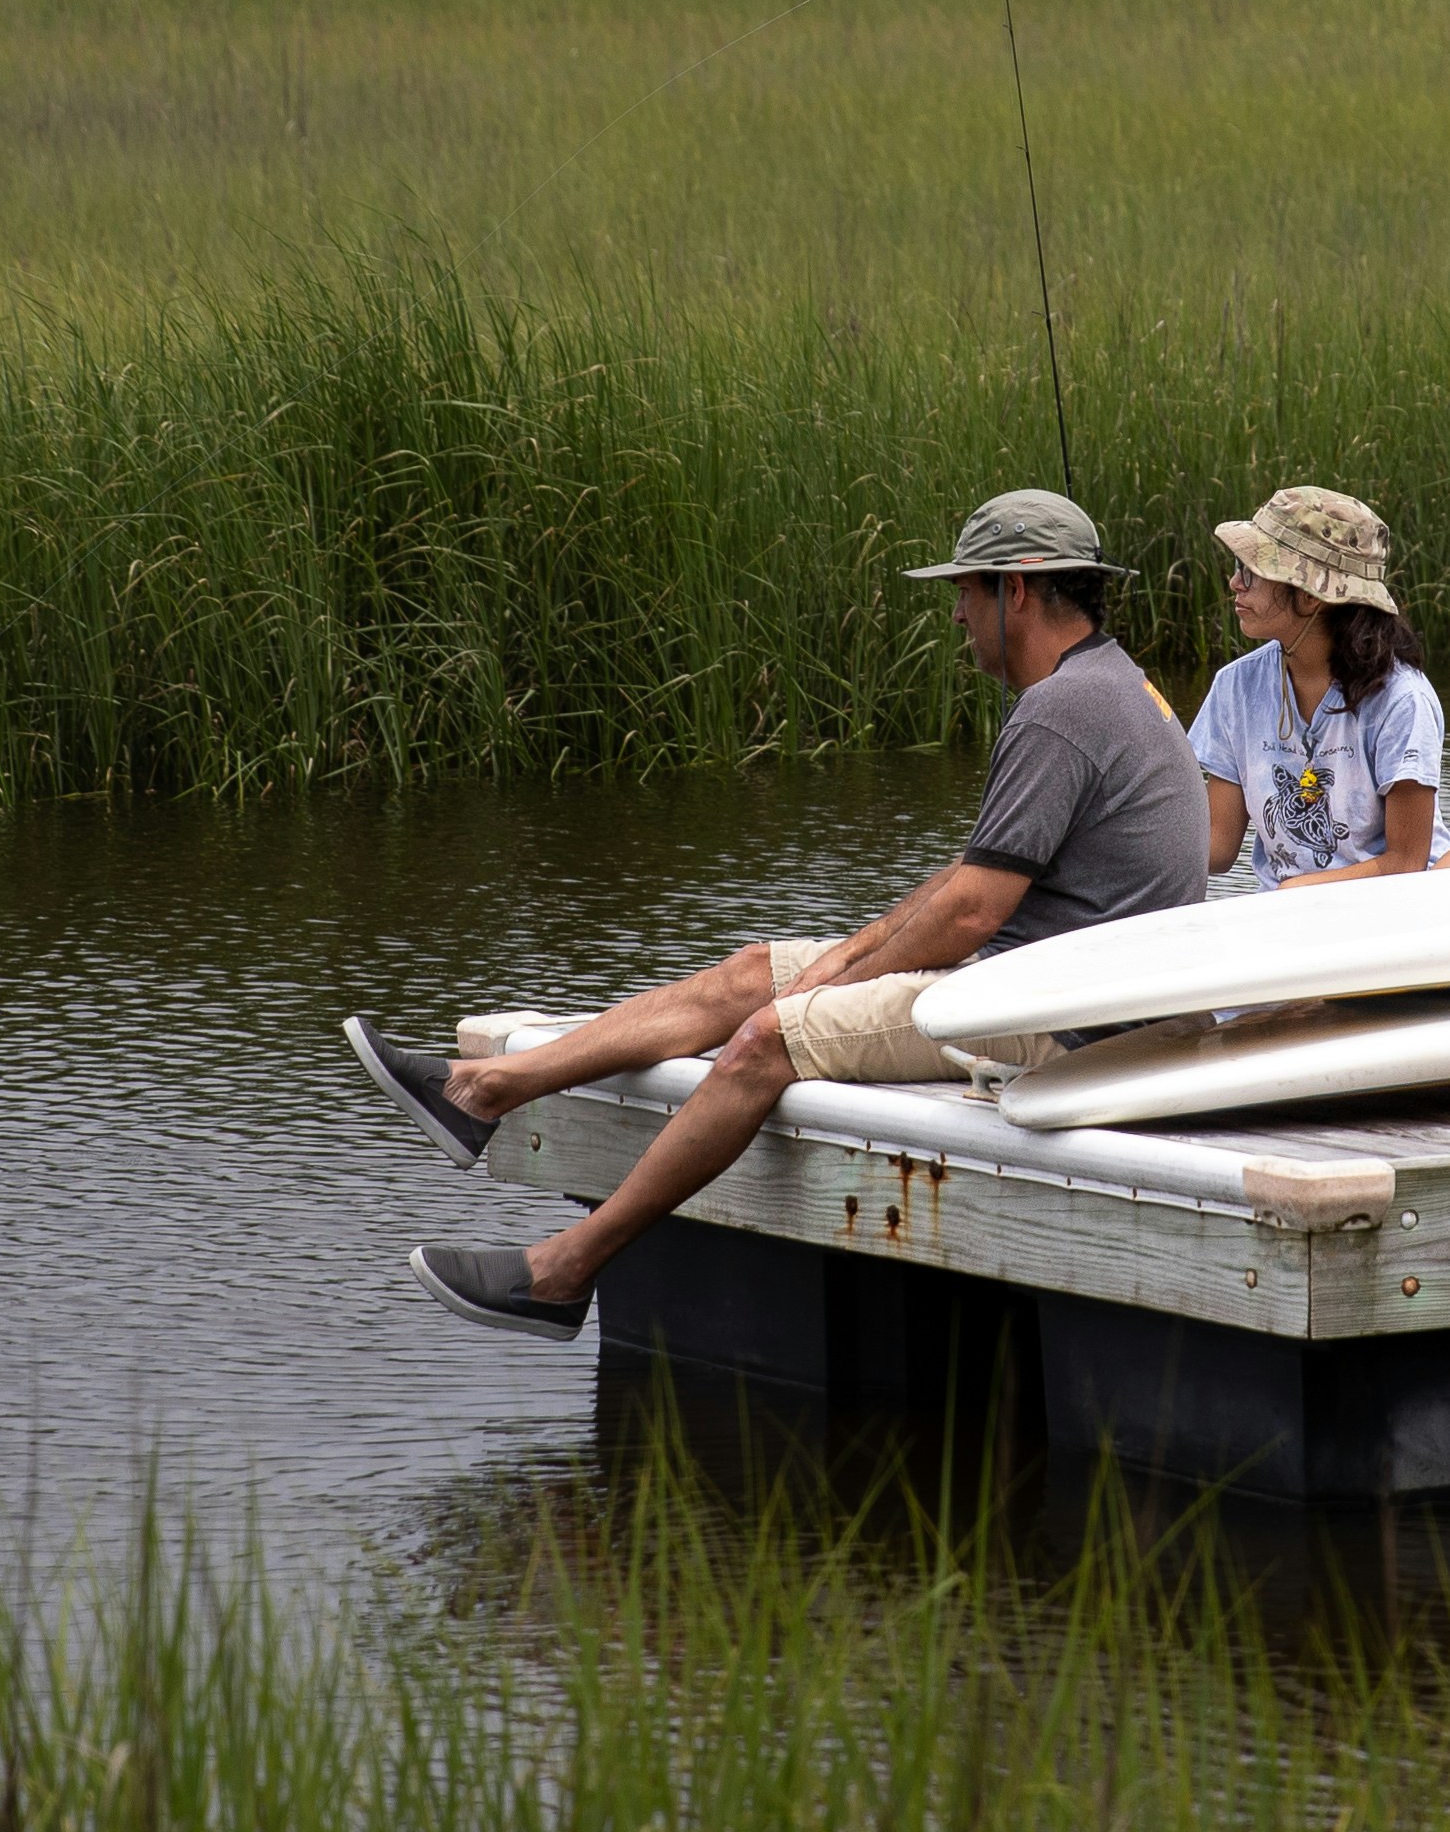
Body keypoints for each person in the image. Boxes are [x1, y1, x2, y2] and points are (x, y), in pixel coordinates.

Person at [343, 487, 1203, 1337]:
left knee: (765, 1039)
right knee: (758, 968)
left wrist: (827, 996)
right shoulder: (1106, 684)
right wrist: (846, 957)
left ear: (1016, 589)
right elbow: (972, 877)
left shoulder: (1061, 710)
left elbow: (974, 913)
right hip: (1044, 976)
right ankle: (487, 1090)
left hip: (1063, 1019)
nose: (955, 617)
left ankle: (563, 1271)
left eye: (964, 592)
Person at [1187, 481, 1450, 888]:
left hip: (1396, 907)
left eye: (1252, 570)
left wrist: (1298, 891)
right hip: (1290, 913)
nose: (1235, 584)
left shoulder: (1402, 699)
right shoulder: (1235, 686)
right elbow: (1217, 847)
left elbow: (1406, 861)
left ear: (1312, 596)